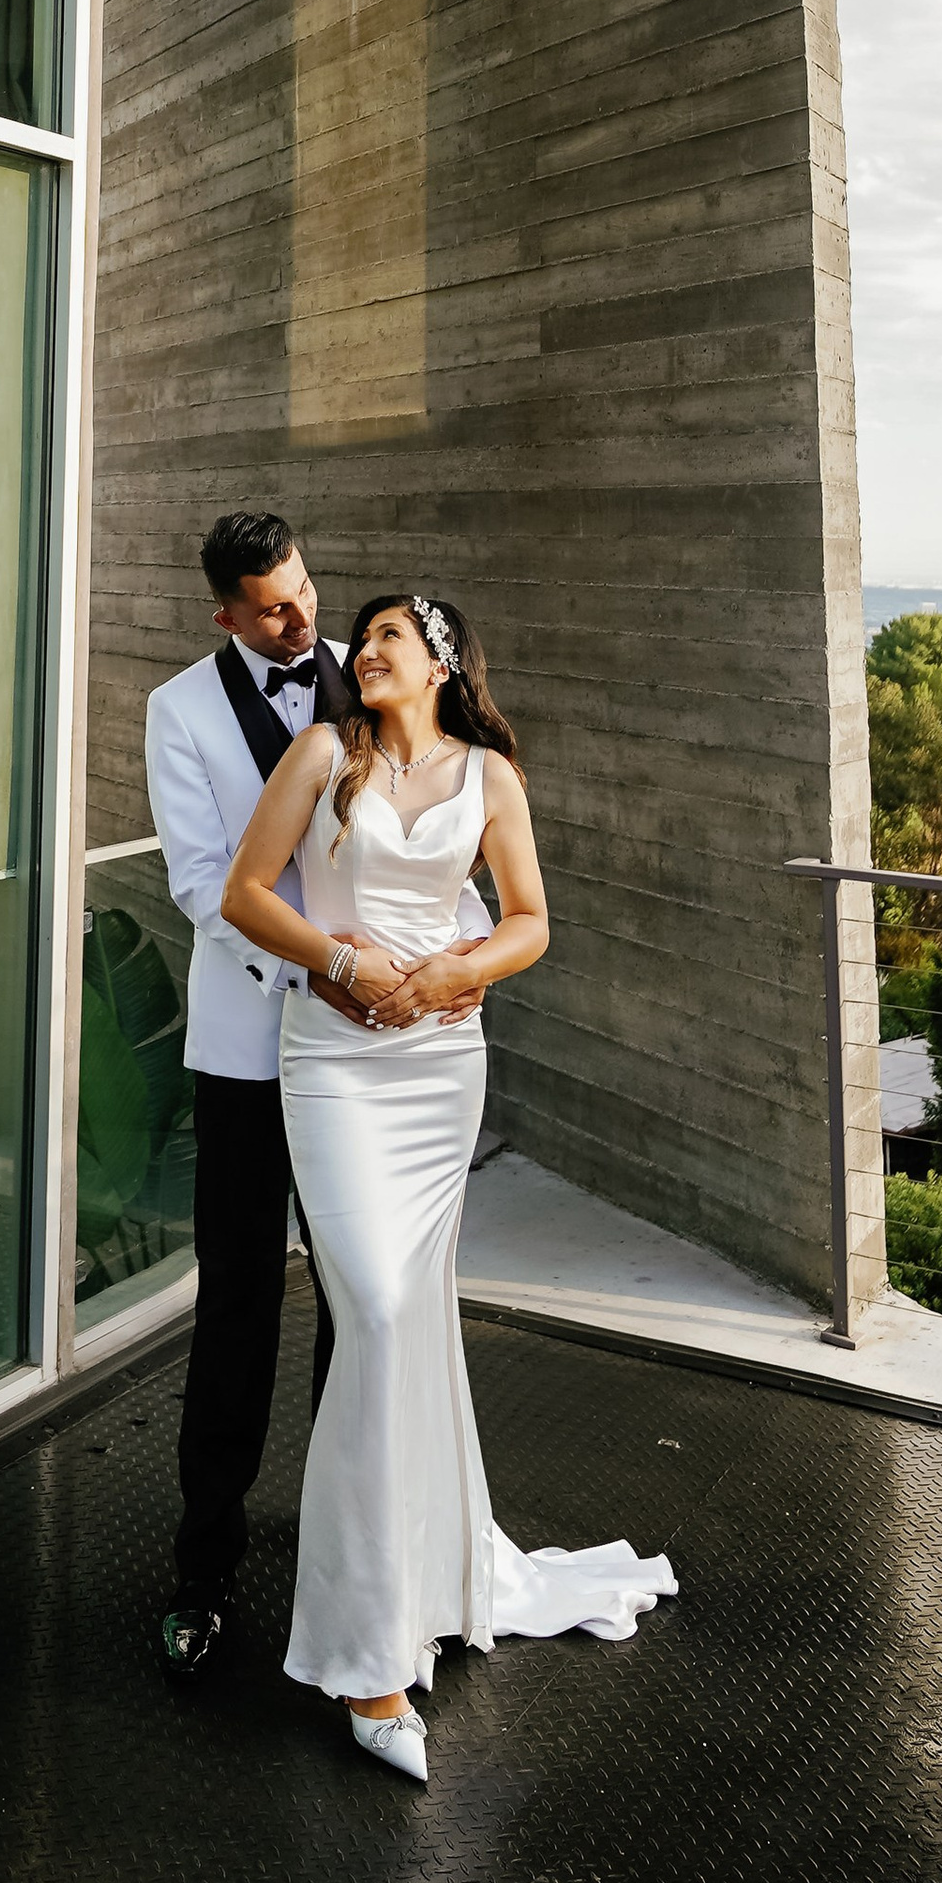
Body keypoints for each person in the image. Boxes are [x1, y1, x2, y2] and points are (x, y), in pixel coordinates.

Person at [222, 590, 675, 1782]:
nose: (362, 651)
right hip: (331, 1063)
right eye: (358, 639)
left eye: (386, 639)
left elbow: (530, 922)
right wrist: (342, 958)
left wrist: (460, 968)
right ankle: (364, 1660)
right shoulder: (324, 753)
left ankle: (416, 1587)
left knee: (409, 1322)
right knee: (369, 1309)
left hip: (437, 1072)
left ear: (440, 663)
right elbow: (246, 893)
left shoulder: (489, 778)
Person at [141, 511, 487, 1679]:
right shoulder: (179, 712)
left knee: (372, 1314)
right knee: (237, 1309)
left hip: (388, 1057)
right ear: (225, 615)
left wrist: (458, 965)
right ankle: (204, 1574)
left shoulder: (383, 670)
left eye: (306, 593)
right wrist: (326, 967)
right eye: (275, 608)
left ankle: (372, 1574)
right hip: (250, 1046)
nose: (306, 623)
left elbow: (446, 841)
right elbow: (203, 884)